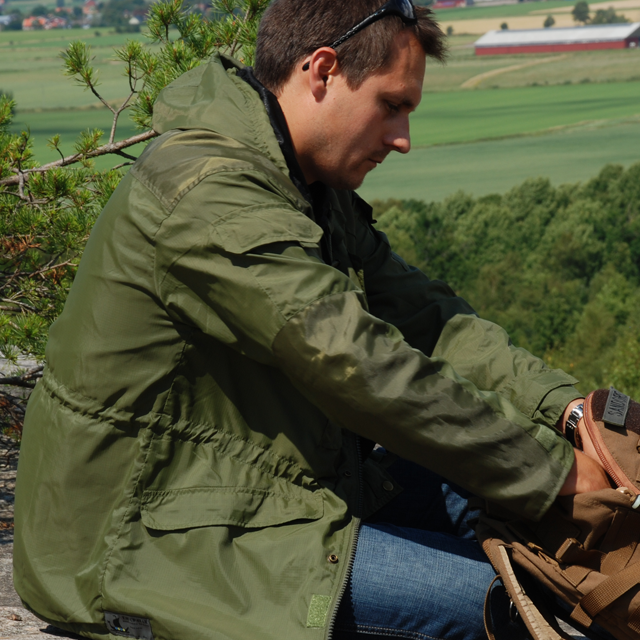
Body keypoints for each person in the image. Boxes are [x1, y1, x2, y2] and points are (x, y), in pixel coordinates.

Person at [14, 1, 610, 639]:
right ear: (322, 71)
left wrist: (572, 413)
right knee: (511, 606)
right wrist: (557, 474)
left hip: (255, 494)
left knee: (518, 508)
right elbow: (357, 362)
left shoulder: (306, 186)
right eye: (392, 105)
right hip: (144, 541)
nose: (404, 138)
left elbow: (433, 322)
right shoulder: (210, 193)